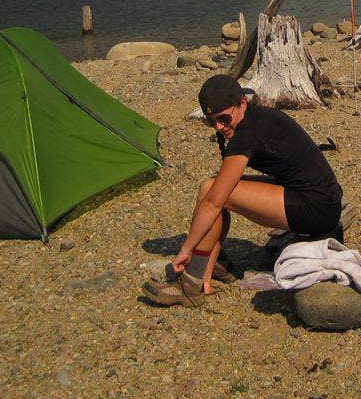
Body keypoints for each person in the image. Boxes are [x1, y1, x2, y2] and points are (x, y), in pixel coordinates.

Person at [143, 74, 342, 307]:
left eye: (224, 118)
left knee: (212, 192)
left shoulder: (248, 133)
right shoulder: (254, 119)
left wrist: (186, 248)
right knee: (213, 188)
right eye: (212, 121)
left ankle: (191, 284)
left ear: (242, 104)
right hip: (319, 199)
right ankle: (210, 267)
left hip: (317, 207)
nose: (219, 126)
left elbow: (214, 202)